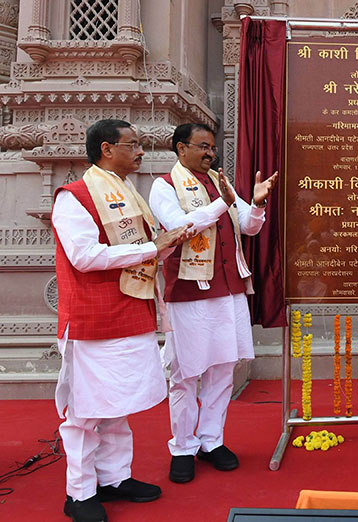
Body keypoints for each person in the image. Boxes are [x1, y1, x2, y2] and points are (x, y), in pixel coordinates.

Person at [52, 119, 192, 522]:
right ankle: (80, 493)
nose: (141, 151)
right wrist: (152, 246)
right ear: (107, 149)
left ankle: (114, 478)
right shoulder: (74, 197)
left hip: (131, 311)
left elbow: (145, 252)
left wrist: (167, 244)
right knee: (86, 411)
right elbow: (84, 256)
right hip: (93, 319)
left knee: (117, 405)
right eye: (133, 144)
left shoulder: (129, 193)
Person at [148, 123, 278, 484]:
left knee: (223, 369)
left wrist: (257, 203)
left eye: (212, 147)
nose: (210, 153)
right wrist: (225, 200)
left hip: (229, 289)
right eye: (202, 146)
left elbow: (248, 227)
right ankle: (183, 447)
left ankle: (211, 440)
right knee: (187, 374)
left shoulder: (220, 184)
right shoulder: (164, 186)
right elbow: (180, 227)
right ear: (180, 148)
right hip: (189, 293)